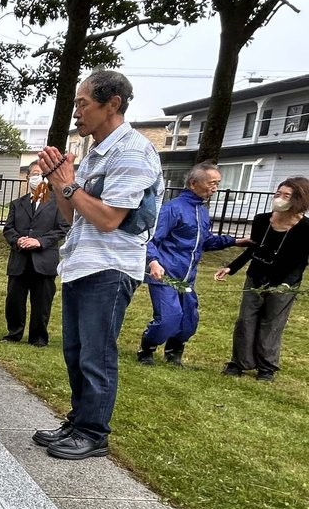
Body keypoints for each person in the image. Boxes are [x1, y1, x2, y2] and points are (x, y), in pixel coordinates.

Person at [32, 70, 162, 461]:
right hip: (81, 263)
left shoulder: (132, 152)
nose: (76, 112)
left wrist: (69, 184)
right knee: (75, 351)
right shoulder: (96, 153)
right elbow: (73, 215)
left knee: (96, 354)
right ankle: (78, 422)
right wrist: (59, 181)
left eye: (83, 103)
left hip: (110, 267)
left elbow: (108, 219)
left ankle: (93, 432)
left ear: (112, 104)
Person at [137, 162, 249, 366]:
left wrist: (235, 241)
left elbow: (205, 241)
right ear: (193, 183)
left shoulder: (202, 211)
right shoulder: (172, 209)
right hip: (166, 275)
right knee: (169, 317)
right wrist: (153, 262)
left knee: (189, 320)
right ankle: (147, 349)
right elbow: (151, 239)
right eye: (211, 183)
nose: (215, 188)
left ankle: (174, 352)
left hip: (187, 278)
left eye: (218, 183)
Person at [215, 177, 309, 381]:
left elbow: (301, 262)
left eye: (286, 195)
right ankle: (239, 362)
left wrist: (285, 284)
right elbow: (253, 249)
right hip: (256, 277)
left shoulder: (305, 228)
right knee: (245, 320)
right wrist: (231, 268)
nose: (280, 198)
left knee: (272, 323)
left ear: (299, 200)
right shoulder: (261, 220)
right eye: (278, 193)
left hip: (284, 283)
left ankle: (266, 367)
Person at [2, 161, 70, 346]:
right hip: (19, 260)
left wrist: (39, 242)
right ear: (27, 178)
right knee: (14, 300)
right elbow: (8, 229)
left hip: (44, 261)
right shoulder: (17, 204)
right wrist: (18, 240)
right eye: (34, 174)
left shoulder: (58, 203)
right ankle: (14, 333)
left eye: (42, 174)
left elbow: (62, 228)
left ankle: (38, 337)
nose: (38, 177)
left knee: (42, 302)